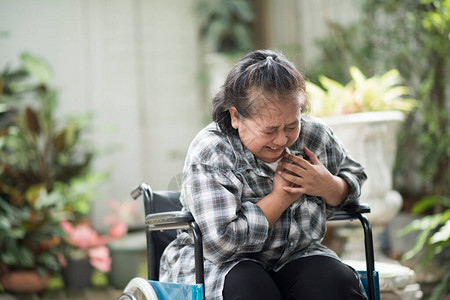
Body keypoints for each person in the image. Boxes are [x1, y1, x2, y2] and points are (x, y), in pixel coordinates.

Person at [159, 49, 368, 300]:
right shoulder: (213, 151)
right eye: (269, 130)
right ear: (236, 116)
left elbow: (355, 175)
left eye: (292, 125)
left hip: (295, 254)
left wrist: (327, 186)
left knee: (336, 283)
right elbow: (220, 245)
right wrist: (280, 198)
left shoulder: (314, 135)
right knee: (252, 288)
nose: (282, 139)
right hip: (219, 264)